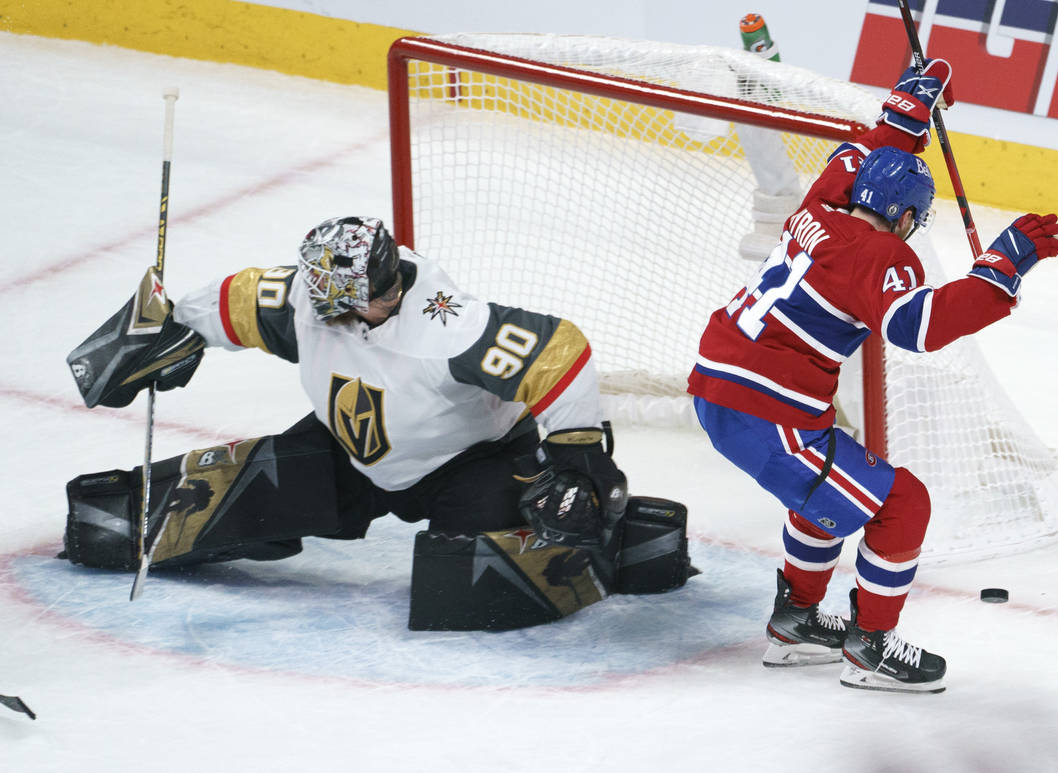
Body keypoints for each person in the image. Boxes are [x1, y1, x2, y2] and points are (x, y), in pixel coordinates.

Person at [63, 216, 692, 630]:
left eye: (387, 288)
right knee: (255, 491)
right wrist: (168, 327)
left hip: (474, 463)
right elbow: (237, 297)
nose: (384, 300)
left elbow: (560, 353)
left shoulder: (454, 326)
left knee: (462, 588)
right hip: (353, 451)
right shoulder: (306, 304)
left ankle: (618, 539)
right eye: (366, 297)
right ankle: (131, 511)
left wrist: (579, 463)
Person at [687, 60, 1058, 693]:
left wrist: (909, 111)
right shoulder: (882, 254)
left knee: (829, 495)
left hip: (728, 381)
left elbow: (867, 155)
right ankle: (870, 650)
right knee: (902, 503)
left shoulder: (820, 206)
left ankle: (796, 624)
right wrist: (1002, 268)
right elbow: (917, 327)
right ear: (905, 217)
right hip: (766, 408)